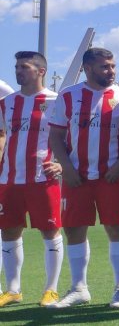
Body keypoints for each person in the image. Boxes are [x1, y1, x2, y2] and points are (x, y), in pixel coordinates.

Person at [46, 47, 119, 309]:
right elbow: (56, 136)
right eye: (105, 66)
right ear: (87, 68)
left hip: (112, 176)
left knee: (117, 230)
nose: (111, 71)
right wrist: (67, 168)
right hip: (77, 177)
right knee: (74, 229)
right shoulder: (69, 96)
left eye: (113, 66)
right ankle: (79, 288)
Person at [0, 51, 63, 308]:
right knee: (9, 231)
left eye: (24, 67)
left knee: (50, 230)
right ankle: (13, 289)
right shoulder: (7, 102)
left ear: (41, 71)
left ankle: (51, 289)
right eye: (16, 67)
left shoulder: (57, 101)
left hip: (42, 177)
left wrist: (60, 162)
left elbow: (67, 137)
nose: (18, 71)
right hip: (10, 178)